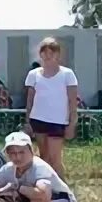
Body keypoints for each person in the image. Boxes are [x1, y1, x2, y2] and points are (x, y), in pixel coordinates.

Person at [25, 37, 79, 178]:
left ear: (58, 55)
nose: (48, 56)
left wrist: (72, 123)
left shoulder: (67, 74)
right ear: (40, 54)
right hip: (38, 119)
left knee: (56, 160)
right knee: (44, 158)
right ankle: (46, 188)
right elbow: (29, 101)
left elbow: (73, 101)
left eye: (52, 52)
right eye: (45, 52)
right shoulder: (33, 74)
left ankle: (62, 191)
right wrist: (27, 122)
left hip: (58, 121)